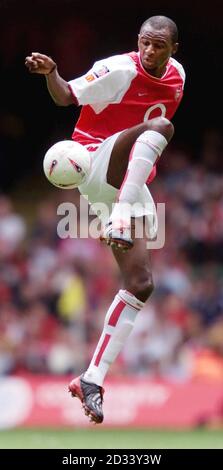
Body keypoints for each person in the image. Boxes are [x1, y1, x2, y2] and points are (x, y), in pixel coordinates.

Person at [25, 15, 185, 424]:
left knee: (141, 283)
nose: (150, 51)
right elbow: (65, 97)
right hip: (95, 161)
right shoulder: (119, 68)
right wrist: (53, 73)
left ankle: (92, 378)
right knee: (160, 127)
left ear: (173, 50)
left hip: (120, 187)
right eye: (145, 43)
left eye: (159, 46)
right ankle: (116, 220)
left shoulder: (178, 77)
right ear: (138, 42)